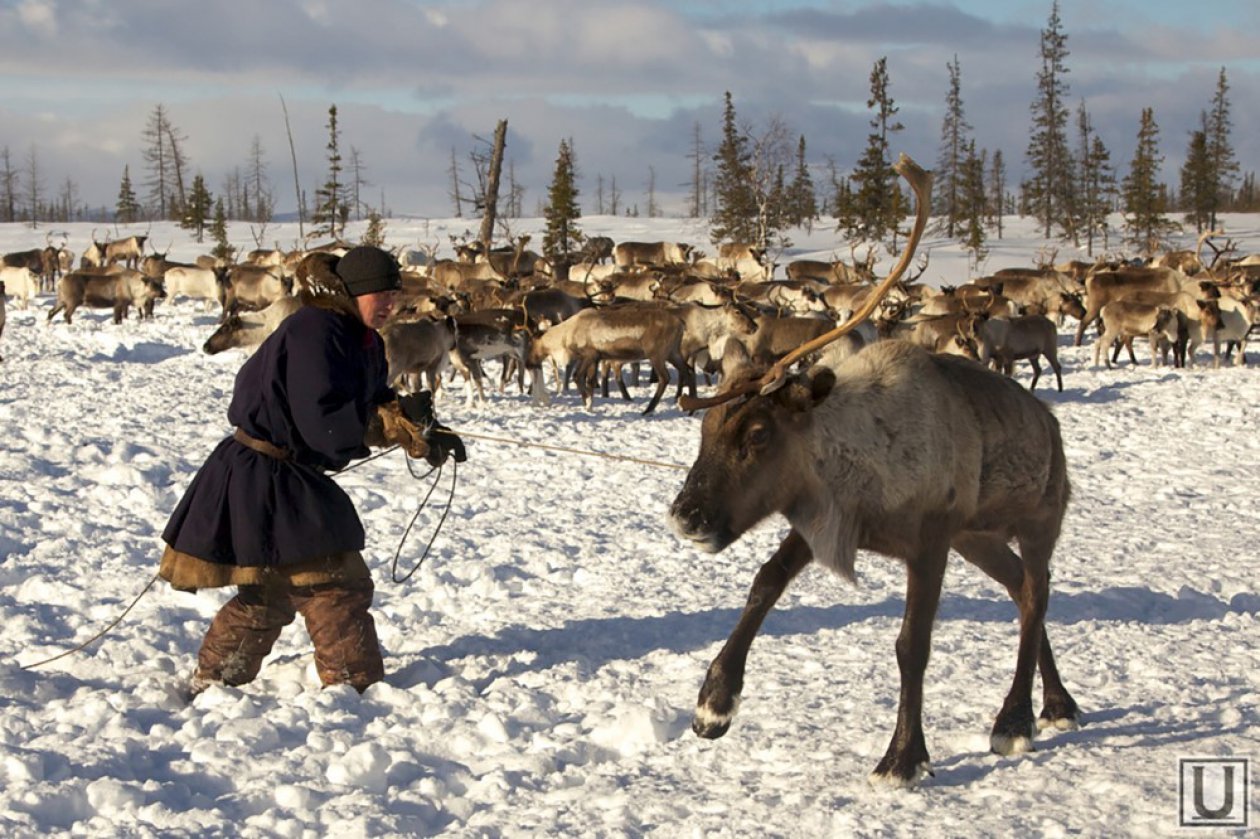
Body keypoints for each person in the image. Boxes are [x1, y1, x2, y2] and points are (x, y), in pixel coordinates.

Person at [159, 245, 458, 698]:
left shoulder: (362, 338)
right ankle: (354, 689)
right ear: (354, 292)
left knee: (272, 588)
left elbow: (372, 403)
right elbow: (326, 424)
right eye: (382, 296)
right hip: (264, 471)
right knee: (334, 582)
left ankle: (215, 679)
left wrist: (421, 430)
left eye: (395, 295)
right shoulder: (315, 330)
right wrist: (387, 426)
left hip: (285, 474)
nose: (391, 306)